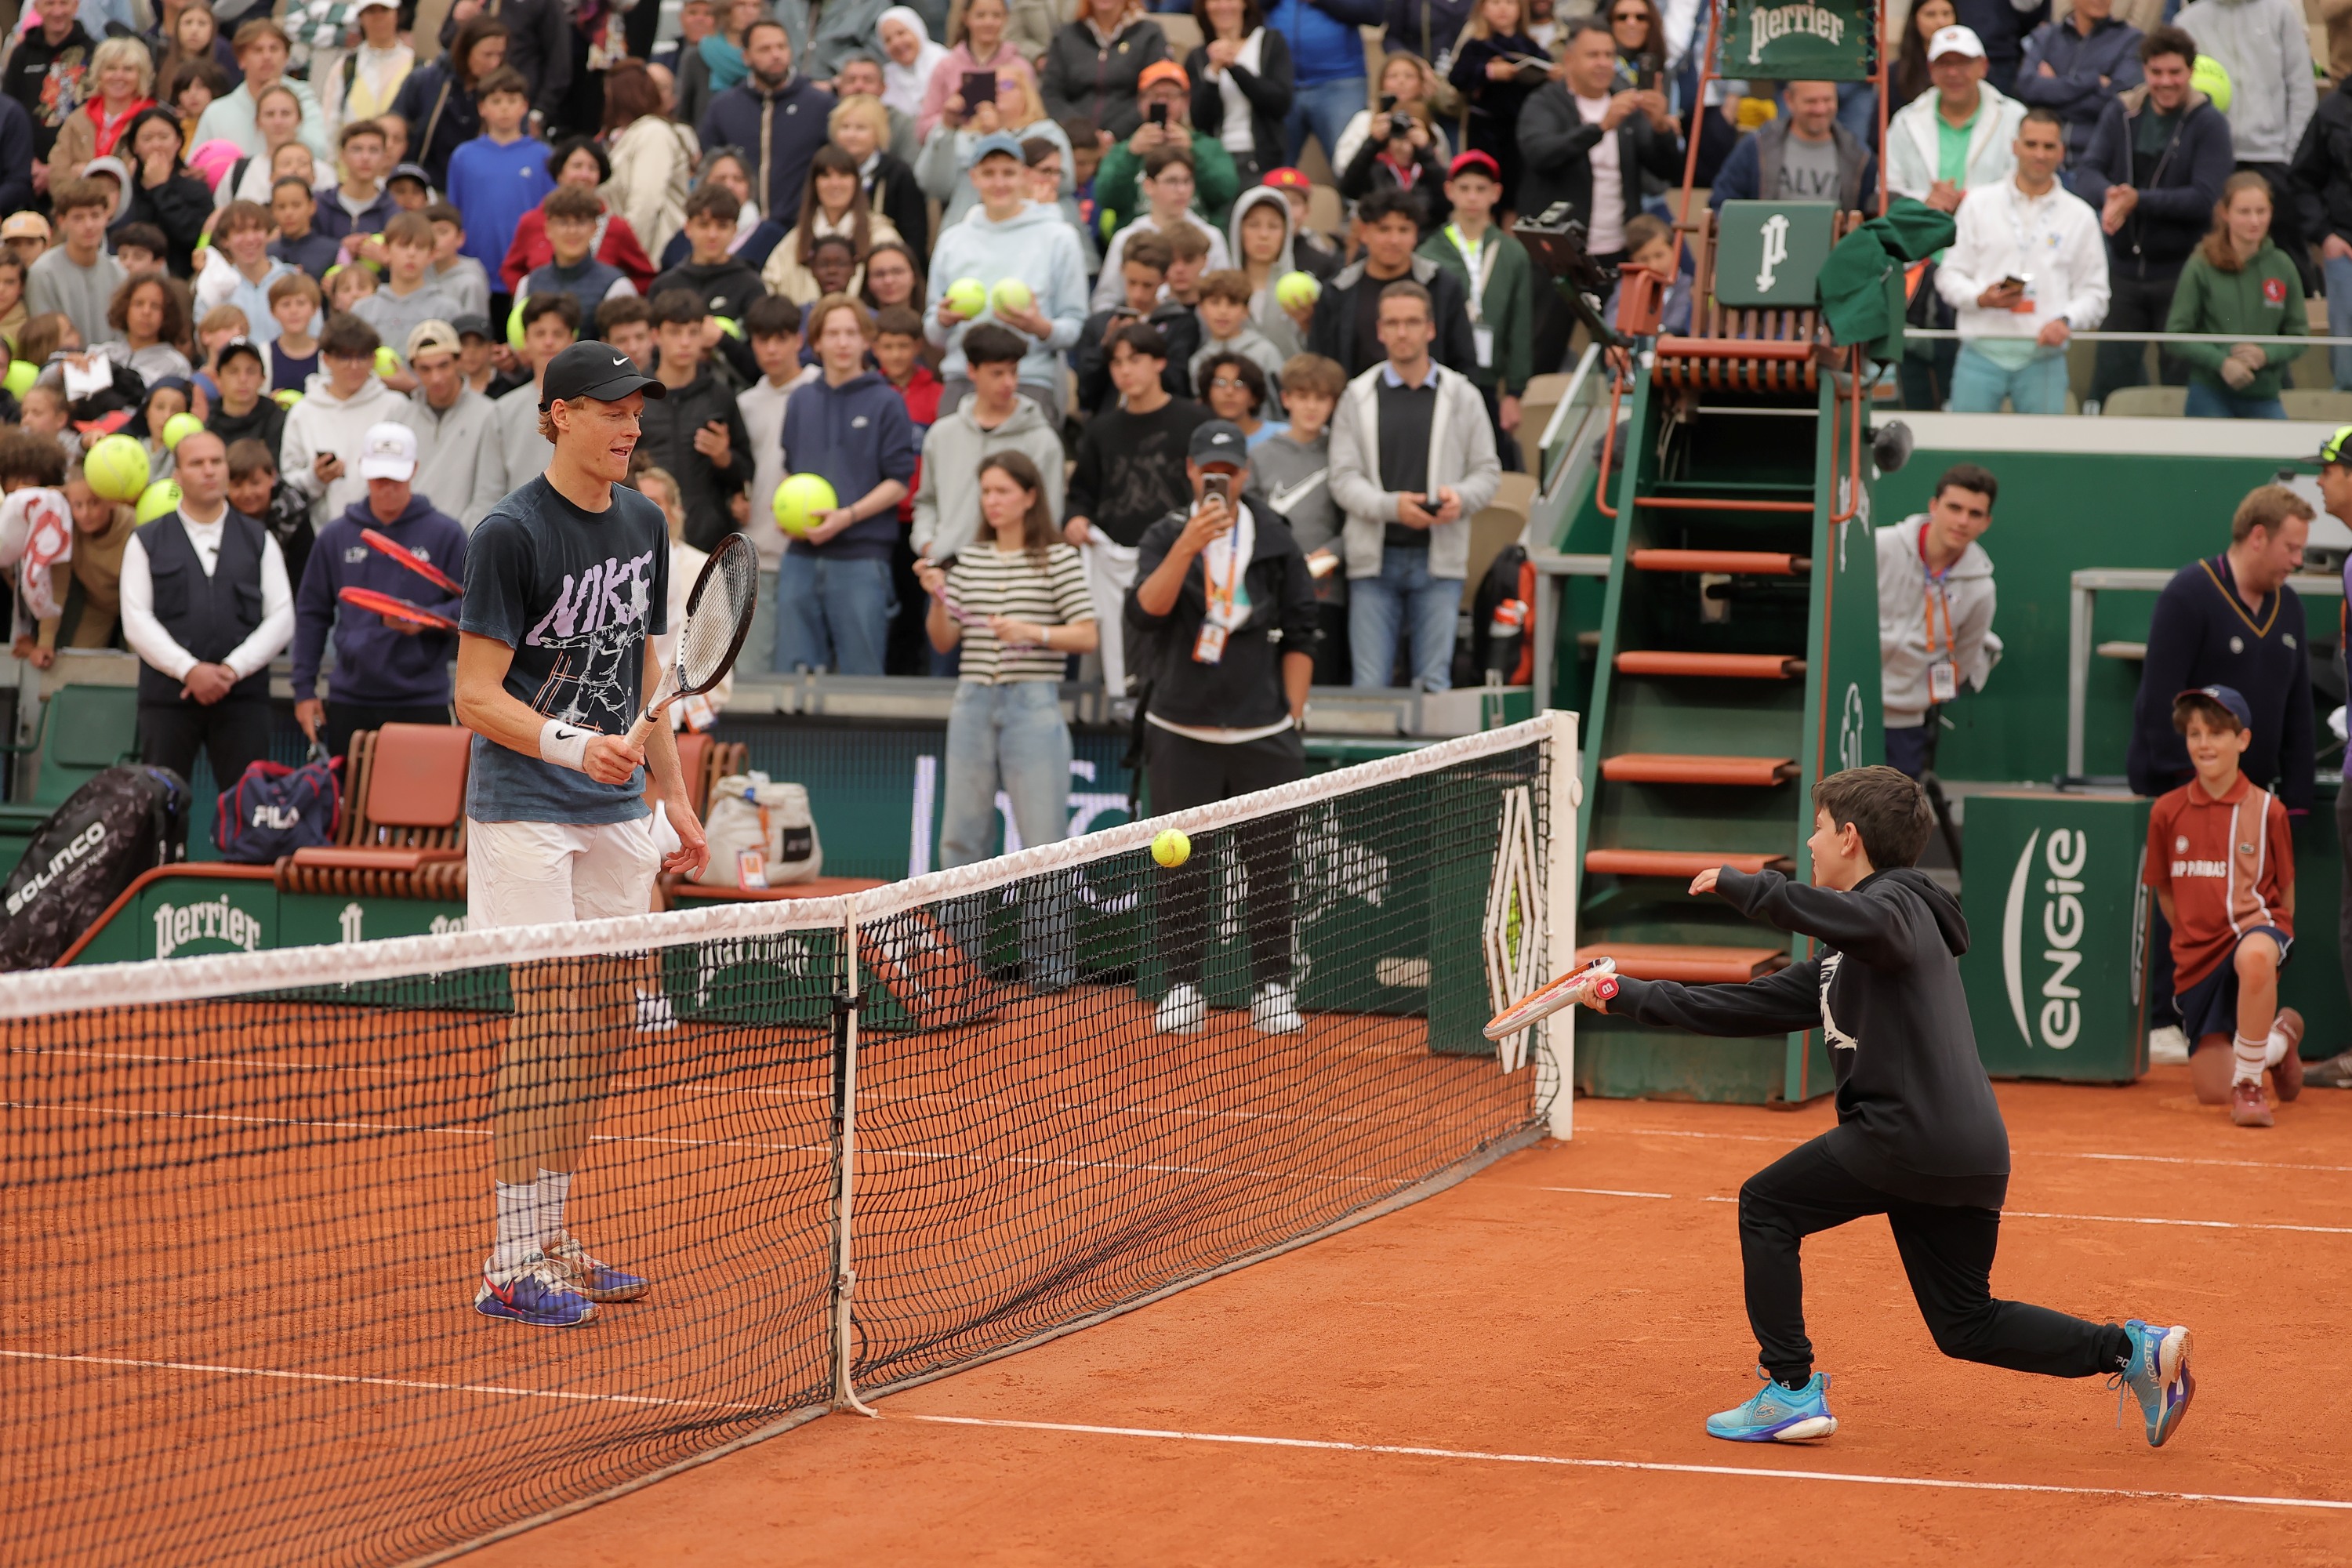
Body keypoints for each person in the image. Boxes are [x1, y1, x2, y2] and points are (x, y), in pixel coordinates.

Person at [1582, 766, 2196, 1450]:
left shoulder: (1898, 905)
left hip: (1904, 1135)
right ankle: (2132, 1351)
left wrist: (1753, 889)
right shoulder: (1852, 949)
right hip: (1966, 1150)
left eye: (1817, 829)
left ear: (1850, 837)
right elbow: (1739, 1007)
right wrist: (1624, 995)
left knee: (1767, 1205)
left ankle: (1788, 1390)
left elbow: (1867, 917)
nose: (1810, 843)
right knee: (1965, 1323)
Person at [453, 338, 709, 1329]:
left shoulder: (642, 520)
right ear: (558, 414)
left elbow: (649, 679)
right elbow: (474, 695)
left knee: (602, 1022)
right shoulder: (508, 534)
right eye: (609, 409)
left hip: (615, 813)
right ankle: (509, 1261)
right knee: (549, 1020)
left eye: (637, 410)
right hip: (524, 807)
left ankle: (552, 1231)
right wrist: (569, 744)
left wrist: (673, 797)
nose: (630, 425)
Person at [1127, 418, 1319, 1035]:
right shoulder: (1163, 535)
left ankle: (1273, 988)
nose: (1222, 480)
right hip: (1181, 729)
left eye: (1232, 470)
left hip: (1264, 734)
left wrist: (1291, 711)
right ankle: (1184, 984)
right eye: (1211, 470)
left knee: (1271, 867)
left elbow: (1302, 627)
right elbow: (1146, 612)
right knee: (1181, 867)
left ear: (1245, 472)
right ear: (1190, 470)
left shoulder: (1275, 538)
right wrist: (1189, 544)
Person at [2128, 484, 2314, 1040]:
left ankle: (2250, 1029)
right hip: (2185, 791)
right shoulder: (2189, 594)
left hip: (2254, 800)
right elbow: (2158, 699)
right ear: (2258, 537)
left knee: (2247, 914)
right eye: (2292, 548)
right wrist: (2194, 788)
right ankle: (2166, 1017)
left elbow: (2299, 707)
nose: (2299, 561)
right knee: (2184, 903)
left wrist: (2297, 799)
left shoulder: (2291, 606)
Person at [914, 449, 1095, 984]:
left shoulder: (1059, 558)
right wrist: (939, 598)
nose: (992, 501)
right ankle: (961, 969)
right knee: (961, 840)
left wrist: (1033, 632)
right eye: (986, 491)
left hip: (1034, 702)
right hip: (972, 701)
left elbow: (1087, 634)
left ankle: (1051, 969)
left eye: (1003, 491)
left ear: (1030, 496)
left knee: (1045, 841)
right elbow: (944, 640)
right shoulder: (969, 557)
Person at [1327, 278, 1498, 691]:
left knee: (1434, 686)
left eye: (1412, 322)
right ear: (1380, 330)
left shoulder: (1463, 395)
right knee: (1370, 686)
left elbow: (1488, 472)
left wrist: (1462, 497)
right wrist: (1392, 507)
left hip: (1440, 563)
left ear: (1430, 328)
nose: (1403, 332)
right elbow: (1343, 479)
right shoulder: (1357, 395)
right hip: (1373, 561)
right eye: (1393, 323)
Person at [2143, 685, 2304, 1126]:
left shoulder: (2269, 810)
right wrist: (2194, 936)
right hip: (2198, 955)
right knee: (2213, 1093)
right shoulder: (2166, 811)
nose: (2204, 744)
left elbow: (2284, 894)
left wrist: (2271, 944)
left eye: (2216, 733)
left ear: (2243, 740)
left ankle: (2251, 1085)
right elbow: (2167, 895)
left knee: (2254, 955)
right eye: (2195, 734)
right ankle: (2281, 1039)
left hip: (2255, 929)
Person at [118, 427, 294, 796]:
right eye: (197, 463)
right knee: (160, 807)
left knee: (250, 806)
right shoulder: (146, 540)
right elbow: (136, 619)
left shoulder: (259, 538)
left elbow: (281, 616)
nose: (210, 470)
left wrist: (232, 670)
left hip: (243, 698)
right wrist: (190, 670)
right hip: (168, 699)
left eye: (217, 462)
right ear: (177, 477)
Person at [2069, 27, 2232, 407]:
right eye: (2157, 72)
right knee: (2111, 374)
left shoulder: (2209, 124)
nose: (2165, 82)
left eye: (2175, 73)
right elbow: (2088, 171)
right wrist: (2112, 196)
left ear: (2190, 71)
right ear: (2145, 70)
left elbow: (2205, 199)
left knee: (2178, 380)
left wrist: (2136, 200)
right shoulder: (2121, 111)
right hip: (2123, 271)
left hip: (2181, 273)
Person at [290, 420, 464, 764]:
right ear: (364, 471)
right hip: (350, 697)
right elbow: (312, 613)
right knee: (350, 807)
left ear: (414, 469)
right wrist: (303, 691)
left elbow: (475, 607)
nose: (387, 488)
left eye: (396, 478)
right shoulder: (335, 535)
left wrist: (427, 620)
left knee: (421, 810)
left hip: (422, 698)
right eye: (379, 478)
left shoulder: (448, 534)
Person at [775, 292, 919, 673]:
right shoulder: (801, 399)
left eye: (852, 333)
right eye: (833, 333)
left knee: (862, 677)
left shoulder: (887, 402)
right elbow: (792, 470)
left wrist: (847, 516)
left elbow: (900, 483)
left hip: (862, 558)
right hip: (800, 556)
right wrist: (785, 513)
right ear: (816, 342)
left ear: (866, 340)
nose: (843, 342)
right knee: (793, 675)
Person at [1067, 321, 1210, 697]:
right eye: (1116, 363)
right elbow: (1083, 491)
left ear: (1160, 362)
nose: (1124, 371)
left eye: (1135, 359)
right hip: (1115, 558)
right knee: (1121, 653)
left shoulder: (1194, 422)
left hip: (1183, 556)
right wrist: (1076, 519)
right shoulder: (1101, 429)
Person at [1936, 108, 2107, 416]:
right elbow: (1949, 274)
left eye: (2048, 146)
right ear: (2015, 147)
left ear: (2061, 152)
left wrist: (2065, 320)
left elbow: (2095, 293)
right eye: (2031, 145)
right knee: (1966, 453)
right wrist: (1979, 297)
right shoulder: (1978, 204)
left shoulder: (2079, 215)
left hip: (2043, 358)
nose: (2039, 154)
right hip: (1980, 353)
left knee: (2043, 458)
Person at [921, 130, 1087, 421]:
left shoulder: (1060, 238)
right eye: (989, 173)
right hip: (964, 379)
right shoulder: (952, 240)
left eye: (1008, 173)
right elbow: (933, 331)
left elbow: (1073, 327)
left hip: (1029, 380)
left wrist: (1039, 327)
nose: (999, 183)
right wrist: (944, 320)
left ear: (1024, 176)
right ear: (974, 178)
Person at [1515, 19, 1680, 263]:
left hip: (1619, 251)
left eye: (1609, 55)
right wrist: (1600, 127)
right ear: (1569, 60)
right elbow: (1540, 154)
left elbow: (1667, 171)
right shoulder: (1545, 102)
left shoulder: (1625, 105)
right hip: (1560, 255)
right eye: (1593, 55)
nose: (1603, 63)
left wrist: (1660, 129)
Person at [1876, 464, 2002, 779]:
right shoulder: (1880, 548)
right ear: (1933, 507)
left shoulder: (1981, 589)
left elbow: (1963, 658)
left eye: (1975, 514)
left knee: (1891, 820)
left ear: (1986, 523)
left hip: (1905, 721)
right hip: (1846, 703)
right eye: (1954, 508)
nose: (1962, 521)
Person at [2177, 0, 2316, 283]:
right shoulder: (2186, 23)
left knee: (2287, 257)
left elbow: (2301, 87)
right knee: (2211, 255)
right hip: (2211, 160)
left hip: (2274, 157)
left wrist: (2291, 155)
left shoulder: (2281, 14)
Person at [912, 320, 1066, 571]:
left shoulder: (1042, 440)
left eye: (1013, 372)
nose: (1009, 383)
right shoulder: (942, 434)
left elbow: (1050, 515)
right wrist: (929, 544)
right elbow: (927, 501)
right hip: (949, 570)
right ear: (971, 371)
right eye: (997, 373)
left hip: (1015, 576)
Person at [2165, 172, 2306, 419]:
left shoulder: (2282, 265)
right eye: (2244, 212)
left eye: (2261, 211)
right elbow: (2176, 335)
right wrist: (2222, 363)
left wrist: (2266, 354)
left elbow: (2300, 334)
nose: (2254, 221)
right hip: (2210, 392)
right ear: (2225, 213)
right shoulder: (2201, 264)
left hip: (2265, 394)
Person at [1417, 151, 1532, 454]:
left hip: (1490, 381)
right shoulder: (1429, 252)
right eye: (1464, 188)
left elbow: (1521, 326)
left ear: (1496, 193)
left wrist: (1515, 393)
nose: (1472, 198)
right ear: (1449, 191)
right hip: (1440, 374)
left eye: (1481, 189)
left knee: (1488, 456)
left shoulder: (1512, 253)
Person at [1304, 187, 1477, 378]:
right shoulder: (1337, 291)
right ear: (1364, 233)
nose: (1394, 240)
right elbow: (1322, 364)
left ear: (1415, 235)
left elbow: (1464, 360)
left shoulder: (1443, 286)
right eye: (1384, 229)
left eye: (1403, 230)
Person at [635, 289, 754, 551]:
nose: (685, 342)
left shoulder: (720, 396)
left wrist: (724, 458)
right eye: (675, 332)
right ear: (656, 336)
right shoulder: (636, 397)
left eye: (693, 332)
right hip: (644, 537)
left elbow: (745, 470)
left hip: (708, 541)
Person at [1250, 350, 1345, 681]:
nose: (1311, 407)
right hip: (1269, 591)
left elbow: (1357, 523)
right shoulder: (1261, 456)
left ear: (1334, 403)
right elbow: (1248, 521)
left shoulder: (1344, 454)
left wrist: (1332, 553)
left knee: (1320, 686)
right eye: (1303, 396)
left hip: (1325, 594)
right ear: (1286, 398)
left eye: (1322, 398)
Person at [700, 20, 837, 225]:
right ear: (746, 57)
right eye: (765, 49)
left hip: (801, 229)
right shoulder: (723, 107)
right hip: (739, 229)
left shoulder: (821, 105)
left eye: (781, 47)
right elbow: (708, 167)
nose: (776, 55)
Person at [281, 310, 406, 529]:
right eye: (345, 357)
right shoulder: (303, 412)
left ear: (374, 359)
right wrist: (316, 478)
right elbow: (289, 480)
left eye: (363, 356)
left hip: (391, 532)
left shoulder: (396, 406)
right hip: (325, 536)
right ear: (326, 359)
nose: (355, 366)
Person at [1093, 61, 1241, 236]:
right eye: (1155, 95)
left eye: (1171, 96)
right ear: (1140, 102)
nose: (1163, 102)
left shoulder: (1206, 146)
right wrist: (1131, 155)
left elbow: (1226, 191)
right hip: (1141, 244)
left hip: (1195, 242)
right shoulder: (1125, 149)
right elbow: (1105, 197)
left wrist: (1193, 152)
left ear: (1186, 102)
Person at [498, 138, 659, 296]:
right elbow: (511, 269)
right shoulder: (532, 222)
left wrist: (615, 302)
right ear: (560, 172)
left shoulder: (616, 227)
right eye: (577, 166)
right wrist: (530, 299)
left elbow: (645, 277)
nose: (584, 175)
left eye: (593, 168)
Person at [445, 68, 554, 289]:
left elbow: (550, 213)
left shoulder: (542, 156)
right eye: (496, 101)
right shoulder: (464, 156)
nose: (504, 108)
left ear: (524, 107)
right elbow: (453, 212)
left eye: (512, 100)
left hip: (527, 271)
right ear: (482, 108)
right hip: (474, 270)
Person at [1090, 146, 1233, 311]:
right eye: (1172, 182)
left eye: (1187, 181)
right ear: (1149, 186)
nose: (1182, 190)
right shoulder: (1126, 238)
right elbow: (1106, 300)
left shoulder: (1210, 236)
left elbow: (1226, 293)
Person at [394, 319, 504, 528]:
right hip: (409, 543)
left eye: (443, 365)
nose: (436, 378)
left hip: (463, 545)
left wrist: (464, 543)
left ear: (458, 361)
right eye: (425, 369)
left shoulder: (489, 414)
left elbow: (488, 493)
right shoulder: (400, 418)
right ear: (414, 369)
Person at [1709, 79, 1878, 210]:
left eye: (1827, 100)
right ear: (1789, 100)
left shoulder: (1859, 158)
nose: (1820, 110)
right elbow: (1721, 203)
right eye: (1811, 102)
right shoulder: (1756, 147)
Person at [764, 142, 901, 303]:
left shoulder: (881, 236)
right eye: (826, 176)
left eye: (843, 175)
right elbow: (771, 287)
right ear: (814, 184)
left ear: (856, 181)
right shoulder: (794, 242)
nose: (835, 184)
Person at [2015, 0, 2141, 162]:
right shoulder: (2045, 36)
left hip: (2094, 160)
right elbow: (2028, 88)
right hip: (2042, 156)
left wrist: (2052, 92)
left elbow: (2117, 104)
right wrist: (2093, 81)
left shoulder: (2131, 41)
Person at [390, 13, 506, 188]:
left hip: (472, 185)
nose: (494, 63)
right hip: (422, 183)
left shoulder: (503, 92)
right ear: (466, 50)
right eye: (487, 55)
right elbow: (395, 124)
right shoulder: (424, 81)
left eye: (500, 55)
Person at [1446, 0, 1541, 213]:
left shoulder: (1529, 46)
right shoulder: (1476, 45)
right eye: (1495, 2)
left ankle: (1508, 236)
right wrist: (1488, 72)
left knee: (1514, 192)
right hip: (1484, 128)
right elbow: (1457, 77)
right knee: (1482, 183)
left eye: (1509, 2)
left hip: (1519, 129)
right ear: (1482, 8)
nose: (1503, 8)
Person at [193, 19, 331, 164]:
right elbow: (196, 165)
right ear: (241, 60)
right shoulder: (217, 112)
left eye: (274, 49)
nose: (267, 57)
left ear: (286, 57)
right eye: (258, 50)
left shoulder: (305, 99)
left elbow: (320, 152)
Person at [603, 62, 699, 268]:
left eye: (609, 93)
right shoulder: (631, 136)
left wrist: (625, 257)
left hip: (652, 259)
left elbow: (645, 203)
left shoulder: (653, 133)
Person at [484, 293, 579, 499]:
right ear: (526, 340)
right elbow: (489, 488)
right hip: (518, 524)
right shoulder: (503, 410)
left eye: (558, 333)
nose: (548, 342)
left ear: (572, 339)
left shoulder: (591, 403)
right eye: (540, 333)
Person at [1185, 0, 1290, 188]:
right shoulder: (1197, 57)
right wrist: (1213, 74)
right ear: (1205, 7)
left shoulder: (1269, 41)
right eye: (1215, 1)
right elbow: (1200, 121)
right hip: (1217, 160)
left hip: (1262, 158)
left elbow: (1280, 103)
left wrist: (1234, 68)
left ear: (1245, 4)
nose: (1224, 6)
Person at [1266, 0, 1378, 169]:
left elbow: (1373, 13)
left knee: (1350, 163)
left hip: (1340, 82)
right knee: (1275, 169)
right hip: (1282, 83)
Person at [354, 210, 464, 373]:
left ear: (432, 254)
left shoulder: (447, 309)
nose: (411, 254)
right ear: (385, 251)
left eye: (420, 247)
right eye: (403, 245)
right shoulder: (362, 310)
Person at [1337, 60, 1447, 222]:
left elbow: (1447, 197)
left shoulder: (1431, 139)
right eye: (1393, 76)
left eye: (1409, 76)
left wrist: (1424, 151)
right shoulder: (1375, 163)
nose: (1401, 81)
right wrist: (1373, 142)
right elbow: (1349, 187)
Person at [1040, 0, 1166, 142]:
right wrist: (1083, 133)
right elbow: (1051, 94)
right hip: (1072, 139)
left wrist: (1113, 134)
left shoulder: (1149, 34)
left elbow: (1156, 93)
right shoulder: (1065, 36)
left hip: (1132, 139)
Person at [914, 0, 1036, 141]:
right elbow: (923, 129)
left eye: (996, 16)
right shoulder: (946, 66)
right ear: (966, 18)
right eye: (980, 15)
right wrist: (948, 120)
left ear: (1006, 18)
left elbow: (1034, 115)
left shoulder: (1020, 67)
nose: (988, 22)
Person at [44, 35, 154, 191]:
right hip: (80, 206)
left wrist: (88, 173)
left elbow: (155, 177)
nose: (119, 76)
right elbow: (57, 175)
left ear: (140, 75)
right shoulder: (77, 120)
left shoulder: (153, 121)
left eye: (128, 69)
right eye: (111, 68)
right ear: (99, 74)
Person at [828, 92, 927, 259]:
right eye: (844, 127)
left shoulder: (898, 173)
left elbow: (914, 235)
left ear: (878, 132)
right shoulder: (825, 170)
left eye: (861, 128)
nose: (851, 135)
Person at [27, 180, 125, 350]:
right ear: (62, 222)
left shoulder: (119, 273)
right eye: (78, 218)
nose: (89, 226)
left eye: (95, 216)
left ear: (106, 218)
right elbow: (45, 339)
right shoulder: (43, 273)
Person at [5, 0, 100, 172]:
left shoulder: (93, 53)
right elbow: (9, 110)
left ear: (76, 6)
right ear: (36, 8)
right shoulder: (22, 54)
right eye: (49, 4)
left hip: (76, 168)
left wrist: (56, 170)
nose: (57, 11)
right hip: (25, 167)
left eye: (64, 3)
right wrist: (28, 162)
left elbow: (98, 114)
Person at [1188, 267, 1286, 405]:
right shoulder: (1197, 361)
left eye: (1232, 304)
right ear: (1201, 309)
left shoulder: (1265, 352)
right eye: (1215, 303)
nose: (1223, 311)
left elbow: (1280, 403)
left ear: (1246, 310)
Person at [319, 0, 413, 136]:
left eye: (384, 10)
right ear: (360, 18)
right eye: (371, 11)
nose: (378, 17)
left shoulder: (416, 66)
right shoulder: (345, 67)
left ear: (397, 15)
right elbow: (330, 123)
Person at [269, 174, 342, 281]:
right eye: (281, 207)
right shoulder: (267, 255)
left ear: (312, 206)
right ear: (272, 212)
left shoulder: (334, 252)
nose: (288, 213)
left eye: (296, 205)